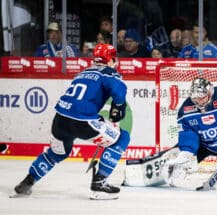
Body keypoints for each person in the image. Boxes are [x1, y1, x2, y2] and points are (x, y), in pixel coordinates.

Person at [13, 44, 130, 200]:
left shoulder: (83, 73)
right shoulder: (109, 72)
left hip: (60, 118)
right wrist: (119, 107)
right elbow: (119, 89)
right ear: (111, 59)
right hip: (82, 120)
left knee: (56, 153)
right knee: (122, 138)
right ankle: (100, 183)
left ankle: (28, 181)